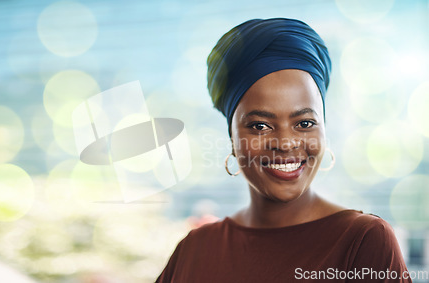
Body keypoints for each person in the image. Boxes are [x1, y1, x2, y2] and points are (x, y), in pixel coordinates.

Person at [155, 18, 411, 282]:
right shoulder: (195, 249)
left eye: (304, 123)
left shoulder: (363, 240)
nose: (286, 143)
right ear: (232, 137)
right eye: (260, 126)